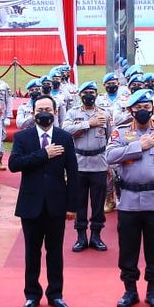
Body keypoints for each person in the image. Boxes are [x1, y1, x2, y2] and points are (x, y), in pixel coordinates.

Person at [106, 89, 154, 307]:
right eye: (138, 108)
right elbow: (110, 157)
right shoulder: (120, 134)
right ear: (130, 110)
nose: (143, 111)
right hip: (129, 200)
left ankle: (153, 289)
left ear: (153, 109)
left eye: (147, 107)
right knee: (128, 248)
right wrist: (141, 145)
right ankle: (130, 289)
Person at [8, 94, 81, 307]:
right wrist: (44, 154)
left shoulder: (64, 138)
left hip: (57, 205)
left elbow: (73, 173)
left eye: (48, 109)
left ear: (55, 111)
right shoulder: (23, 138)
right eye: (40, 109)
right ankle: (32, 295)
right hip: (30, 205)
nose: (44, 113)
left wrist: (72, 206)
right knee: (32, 252)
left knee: (55, 252)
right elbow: (14, 164)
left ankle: (56, 294)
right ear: (33, 113)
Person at [63, 81, 111, 252]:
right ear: (80, 95)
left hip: (98, 163)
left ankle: (96, 235)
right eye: (85, 93)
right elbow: (65, 131)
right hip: (79, 163)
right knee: (79, 202)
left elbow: (109, 136)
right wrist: (87, 124)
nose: (89, 95)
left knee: (98, 203)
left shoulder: (105, 114)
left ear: (96, 94)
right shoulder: (72, 112)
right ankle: (81, 236)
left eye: (92, 92)